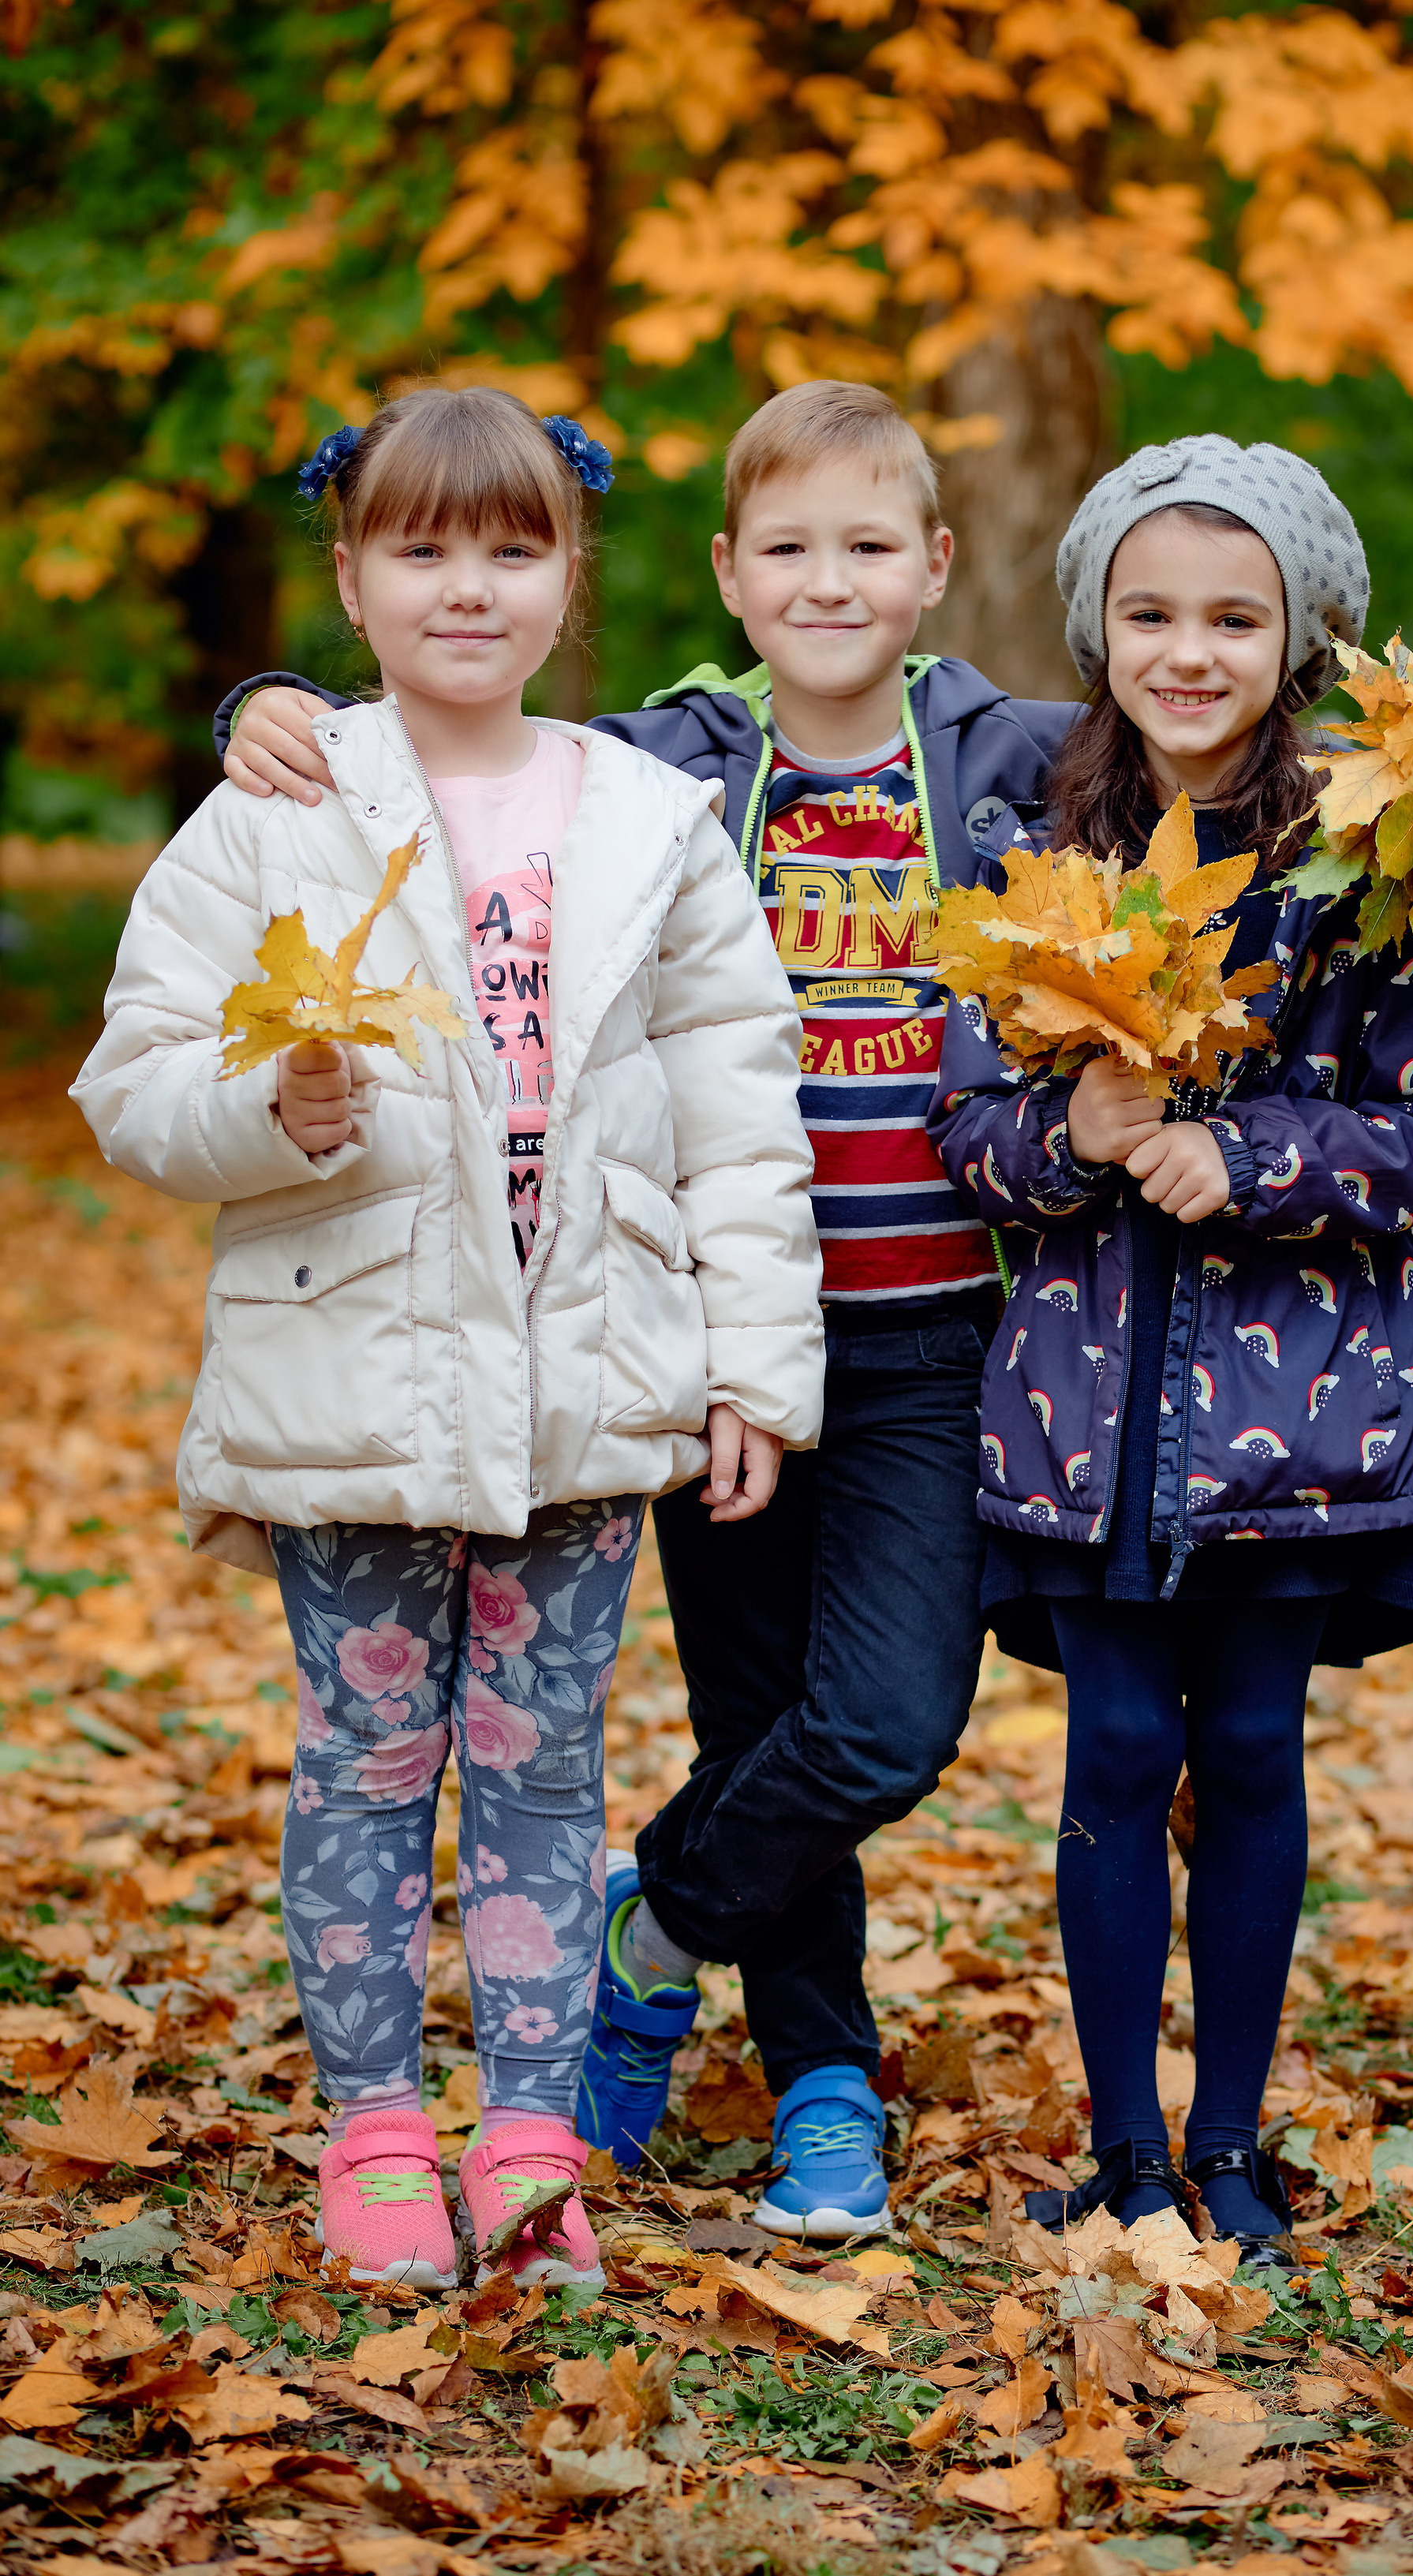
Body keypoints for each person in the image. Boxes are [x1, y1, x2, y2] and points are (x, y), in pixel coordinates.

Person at [210, 383, 1078, 2239]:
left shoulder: (1014, 760)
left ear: (935, 566)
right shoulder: (664, 763)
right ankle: (822, 2083)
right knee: (763, 1708)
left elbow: (1203, 737)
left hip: (929, 1327)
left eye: (870, 547)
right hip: (676, 1335)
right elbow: (459, 742)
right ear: (722, 573)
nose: (827, 583)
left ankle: (653, 1920)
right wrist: (257, 711)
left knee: (881, 1721)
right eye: (788, 549)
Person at [73, 386, 822, 2293]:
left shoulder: (654, 822)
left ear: (570, 581)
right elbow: (141, 1075)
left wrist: (754, 1366)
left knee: (548, 1761)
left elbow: (742, 1115)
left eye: (511, 549)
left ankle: (529, 2137)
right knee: (368, 1753)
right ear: (350, 576)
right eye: (420, 550)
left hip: (581, 1377)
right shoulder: (278, 806)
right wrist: (270, 1118)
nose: (465, 588)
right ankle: (375, 2130)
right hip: (358, 1368)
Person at [929, 437, 1413, 2263]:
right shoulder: (1034, 838)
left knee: (1249, 1741)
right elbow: (967, 1129)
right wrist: (1069, 1139)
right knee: (1110, 1744)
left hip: (1301, 1407)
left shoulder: (1371, 859)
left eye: (1233, 616)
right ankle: (1119, 2141)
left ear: (1298, 635)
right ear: (1095, 621)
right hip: (1084, 1403)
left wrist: (1248, 1155)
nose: (1189, 649)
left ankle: (1232, 2137)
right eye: (1151, 610)